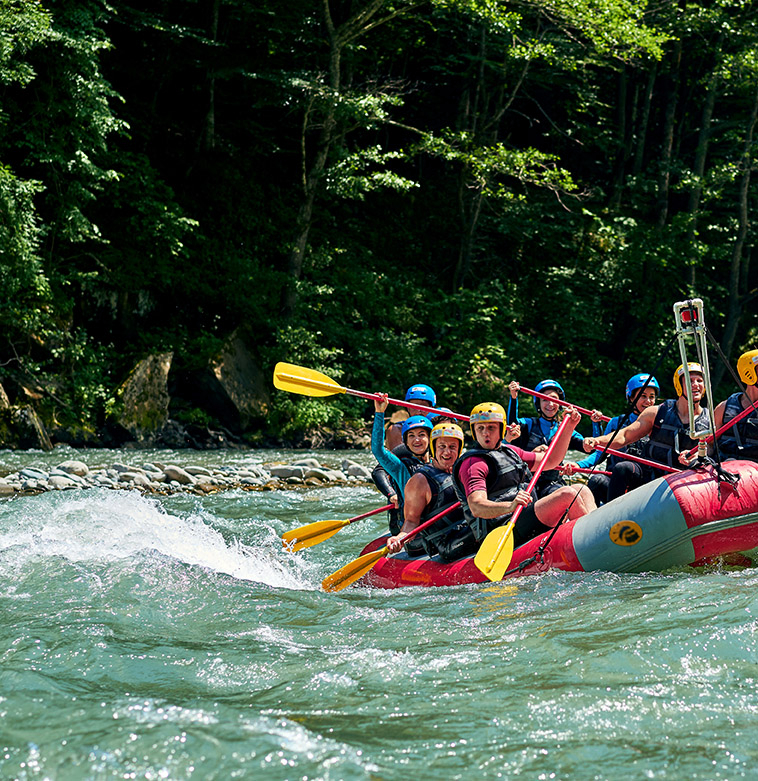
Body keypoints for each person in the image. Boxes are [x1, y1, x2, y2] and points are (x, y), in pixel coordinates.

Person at [452, 402, 597, 550]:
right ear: (474, 431)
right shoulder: (473, 464)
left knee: (581, 489)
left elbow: (552, 460)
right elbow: (477, 507)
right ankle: (593, 543)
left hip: (523, 514)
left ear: (501, 429)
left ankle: (598, 533)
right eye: (480, 428)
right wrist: (510, 506)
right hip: (501, 526)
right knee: (567, 495)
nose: (485, 433)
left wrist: (569, 427)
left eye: (491, 428)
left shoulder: (511, 451)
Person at [582, 363, 710, 501]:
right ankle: (613, 512)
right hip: (649, 476)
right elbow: (625, 435)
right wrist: (597, 441)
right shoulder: (656, 412)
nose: (695, 385)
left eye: (699, 380)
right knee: (622, 468)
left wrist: (696, 456)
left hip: (681, 481)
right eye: (690, 381)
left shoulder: (710, 420)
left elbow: (713, 451)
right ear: (679, 385)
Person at [564, 373, 660, 505]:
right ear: (631, 398)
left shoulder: (659, 425)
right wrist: (579, 465)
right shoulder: (616, 423)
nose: (648, 401)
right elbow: (600, 454)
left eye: (652, 397)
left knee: (624, 468)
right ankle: (598, 514)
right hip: (616, 481)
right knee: (597, 481)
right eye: (643, 396)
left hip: (644, 482)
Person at [386, 423, 474, 560]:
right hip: (447, 542)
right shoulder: (419, 481)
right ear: (433, 448)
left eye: (452, 447)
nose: (447, 452)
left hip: (467, 528)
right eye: (442, 447)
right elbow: (411, 522)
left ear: (459, 449)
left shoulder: (463, 470)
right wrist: (400, 538)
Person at [507, 379, 592, 498]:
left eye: (554, 399)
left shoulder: (566, 430)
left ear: (560, 403)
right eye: (545, 400)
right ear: (538, 403)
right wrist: (513, 397)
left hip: (553, 483)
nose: (550, 404)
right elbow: (512, 425)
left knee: (568, 492)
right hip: (527, 482)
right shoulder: (528, 424)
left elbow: (593, 449)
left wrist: (578, 465)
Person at [713, 349, 758, 462]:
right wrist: (697, 455)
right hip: (725, 469)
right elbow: (709, 445)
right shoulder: (723, 408)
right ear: (749, 373)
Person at [384, 383, 437, 450]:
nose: (418, 412)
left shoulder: (438, 428)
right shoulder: (397, 429)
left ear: (431, 408)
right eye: (414, 407)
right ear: (408, 408)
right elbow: (396, 455)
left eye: (423, 407)